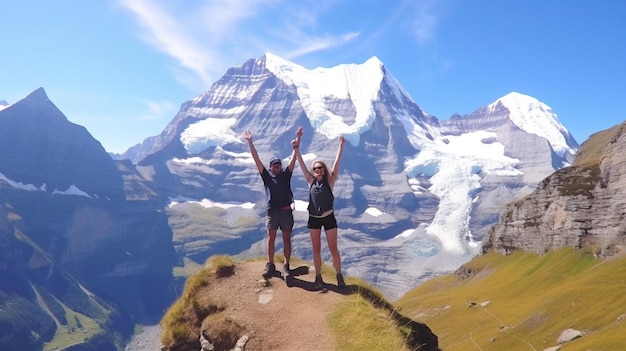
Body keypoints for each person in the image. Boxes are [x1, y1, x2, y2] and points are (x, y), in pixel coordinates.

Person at [243, 128, 301, 281]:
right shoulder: (267, 178)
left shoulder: (286, 175)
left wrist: (297, 141)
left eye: (278, 165)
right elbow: (256, 160)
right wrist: (250, 142)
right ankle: (270, 265)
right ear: (270, 167)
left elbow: (294, 159)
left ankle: (286, 266)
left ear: (280, 167)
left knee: (287, 239)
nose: (276, 167)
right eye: (273, 165)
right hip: (272, 212)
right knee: (271, 239)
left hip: (286, 211)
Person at [293, 129, 346, 290]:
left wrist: (341, 146)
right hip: (313, 218)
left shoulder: (330, 181)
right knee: (316, 248)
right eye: (315, 168)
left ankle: (339, 276)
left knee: (333, 248)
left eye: (320, 168)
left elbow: (336, 164)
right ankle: (318, 277)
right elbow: (301, 164)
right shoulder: (310, 180)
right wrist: (297, 146)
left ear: (323, 169)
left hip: (329, 217)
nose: (317, 170)